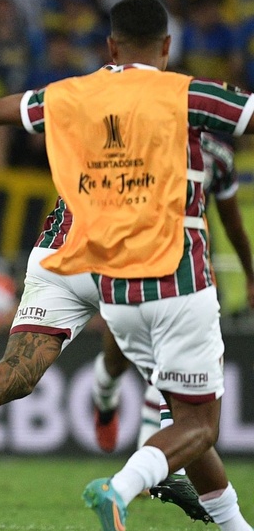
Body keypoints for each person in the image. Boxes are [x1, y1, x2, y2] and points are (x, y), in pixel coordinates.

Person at [0, 0, 254, 531]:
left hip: (62, 248)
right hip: (131, 256)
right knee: (183, 395)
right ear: (167, 48)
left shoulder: (73, 94)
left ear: (110, 46)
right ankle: (145, 446)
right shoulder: (183, 97)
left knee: (19, 370)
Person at [0, 98, 209, 525]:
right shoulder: (160, 136)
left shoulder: (80, 111)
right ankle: (172, 465)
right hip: (109, 254)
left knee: (17, 370)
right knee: (175, 346)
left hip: (55, 253)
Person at [92, 130, 254, 452]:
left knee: (169, 367)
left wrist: (250, 274)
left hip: (186, 278)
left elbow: (232, 222)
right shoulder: (134, 142)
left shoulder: (215, 156)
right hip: (128, 269)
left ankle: (147, 461)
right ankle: (104, 401)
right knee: (115, 363)